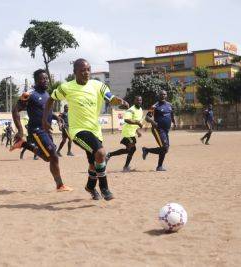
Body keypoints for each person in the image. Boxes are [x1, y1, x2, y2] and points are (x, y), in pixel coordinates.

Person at [43, 58, 129, 201]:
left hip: (95, 130)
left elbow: (110, 97)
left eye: (88, 69)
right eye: (83, 70)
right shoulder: (66, 87)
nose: (86, 72)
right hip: (77, 131)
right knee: (101, 153)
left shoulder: (98, 85)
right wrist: (45, 119)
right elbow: (51, 99)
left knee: (94, 163)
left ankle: (90, 186)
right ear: (75, 72)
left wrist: (119, 101)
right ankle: (104, 188)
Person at [12, 69, 72, 192]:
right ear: (36, 80)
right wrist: (20, 130)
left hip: (46, 131)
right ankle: (60, 185)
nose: (45, 81)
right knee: (54, 156)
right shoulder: (29, 94)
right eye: (42, 78)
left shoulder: (47, 94)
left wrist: (57, 118)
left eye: (46, 78)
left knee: (47, 158)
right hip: (37, 130)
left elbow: (46, 111)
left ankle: (23, 144)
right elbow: (15, 110)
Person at [106, 96, 143, 172]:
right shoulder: (131, 110)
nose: (139, 101)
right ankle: (125, 167)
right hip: (127, 133)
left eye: (140, 100)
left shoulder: (141, 110)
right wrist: (137, 123)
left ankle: (109, 155)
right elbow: (127, 120)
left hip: (132, 133)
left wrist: (137, 131)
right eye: (137, 100)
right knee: (132, 149)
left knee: (129, 150)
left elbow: (136, 122)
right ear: (134, 101)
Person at [142, 90, 176, 171]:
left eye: (165, 94)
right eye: (161, 94)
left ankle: (159, 166)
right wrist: (153, 122)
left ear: (166, 95)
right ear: (159, 96)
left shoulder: (170, 105)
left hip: (166, 130)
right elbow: (147, 117)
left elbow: (171, 115)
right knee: (164, 147)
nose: (163, 96)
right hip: (158, 129)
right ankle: (147, 151)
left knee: (165, 149)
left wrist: (174, 123)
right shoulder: (155, 106)